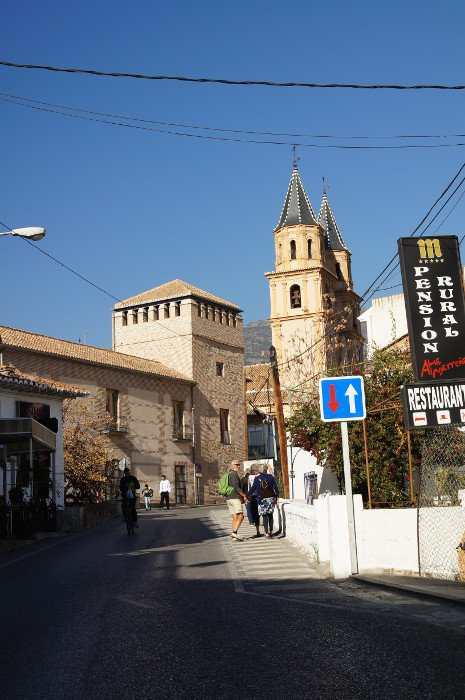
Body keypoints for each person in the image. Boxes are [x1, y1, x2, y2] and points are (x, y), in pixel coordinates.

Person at [247, 464, 279, 538]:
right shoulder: (271, 477)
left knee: (265, 516)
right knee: (270, 515)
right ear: (266, 469)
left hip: (262, 499)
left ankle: (266, 533)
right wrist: (277, 496)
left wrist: (246, 496)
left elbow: (252, 489)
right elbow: (275, 488)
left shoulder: (257, 478)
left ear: (259, 470)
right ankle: (271, 532)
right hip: (271, 498)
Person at [226, 460, 247, 541]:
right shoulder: (234, 475)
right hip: (235, 498)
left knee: (235, 517)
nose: (238, 466)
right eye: (236, 465)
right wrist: (244, 496)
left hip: (229, 498)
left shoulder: (228, 474)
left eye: (239, 465)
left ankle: (234, 536)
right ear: (232, 465)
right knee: (241, 516)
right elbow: (236, 487)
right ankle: (234, 533)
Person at [241, 466, 261, 538]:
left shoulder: (243, 479)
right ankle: (266, 531)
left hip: (249, 496)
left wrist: (244, 497)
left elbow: (242, 488)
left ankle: (251, 521)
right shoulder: (257, 478)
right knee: (257, 513)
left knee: (249, 510)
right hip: (256, 496)